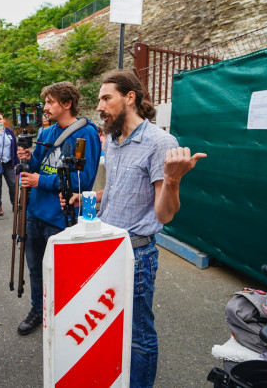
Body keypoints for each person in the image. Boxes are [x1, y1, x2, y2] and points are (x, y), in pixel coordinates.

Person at [68, 70, 206, 388]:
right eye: (99, 99)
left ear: (130, 97)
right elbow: (118, 190)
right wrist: (87, 196)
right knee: (108, 325)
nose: (99, 106)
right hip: (105, 246)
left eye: (106, 98)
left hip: (136, 254)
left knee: (138, 335)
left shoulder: (160, 143)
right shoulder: (112, 140)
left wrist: (172, 179)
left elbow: (165, 213)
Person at [15, 81, 101, 336]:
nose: (46, 107)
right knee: (35, 269)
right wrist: (28, 159)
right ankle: (37, 310)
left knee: (63, 274)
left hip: (61, 217)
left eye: (51, 102)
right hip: (35, 212)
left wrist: (41, 180)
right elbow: (37, 168)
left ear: (67, 104)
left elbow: (82, 182)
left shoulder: (86, 134)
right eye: (46, 102)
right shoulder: (46, 133)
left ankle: (65, 315)